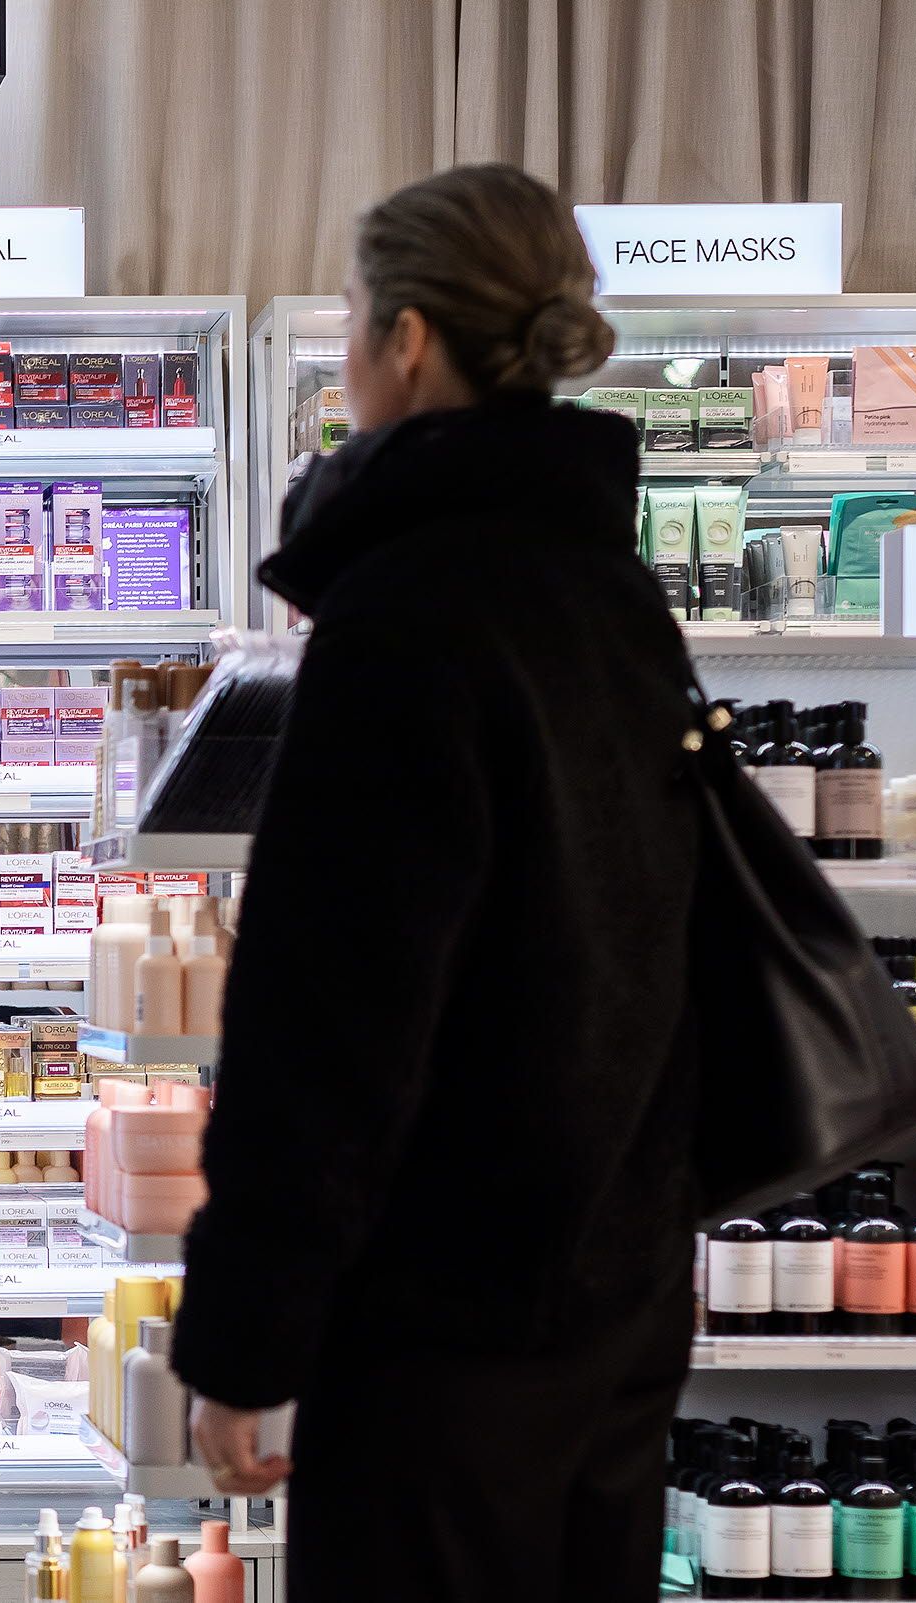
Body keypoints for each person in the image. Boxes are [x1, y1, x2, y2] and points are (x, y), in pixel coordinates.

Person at [169, 163, 700, 1602]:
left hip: (442, 1331)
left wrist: (241, 1346)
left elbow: (329, 1018)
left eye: (350, 318)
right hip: (620, 1296)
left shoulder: (408, 610)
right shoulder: (613, 590)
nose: (346, 352)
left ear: (406, 340)